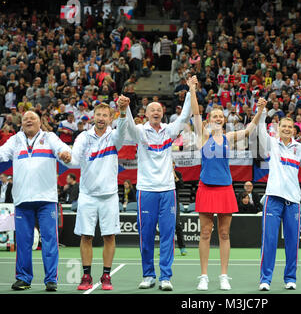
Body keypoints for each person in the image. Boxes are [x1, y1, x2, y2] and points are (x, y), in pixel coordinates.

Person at [120, 77, 195, 291]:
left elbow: (184, 115)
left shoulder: (169, 131)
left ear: (162, 114)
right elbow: (129, 126)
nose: (156, 113)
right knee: (146, 234)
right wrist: (125, 109)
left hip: (167, 190)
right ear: (146, 114)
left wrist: (190, 91)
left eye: (159, 110)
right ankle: (148, 275)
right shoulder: (141, 132)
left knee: (168, 234)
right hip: (146, 190)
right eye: (152, 110)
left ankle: (165, 277)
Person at [191, 81, 265, 291]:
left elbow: (250, 129)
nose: (217, 119)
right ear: (209, 120)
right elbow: (196, 114)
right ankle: (203, 276)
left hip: (225, 189)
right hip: (206, 188)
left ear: (223, 121)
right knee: (205, 233)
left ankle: (224, 275)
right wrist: (192, 90)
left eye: (220, 117)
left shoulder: (229, 138)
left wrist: (259, 111)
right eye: (214, 116)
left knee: (224, 234)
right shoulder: (202, 136)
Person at [0, 110, 71, 291]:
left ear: (40, 122)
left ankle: (51, 280)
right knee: (23, 242)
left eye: (32, 118)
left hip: (46, 199)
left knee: (49, 240)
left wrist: (64, 153)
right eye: (25, 119)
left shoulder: (49, 137)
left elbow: (63, 149)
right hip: (23, 200)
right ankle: (23, 278)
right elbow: (1, 154)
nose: (28, 121)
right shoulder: (15, 140)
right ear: (21, 123)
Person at [69, 100, 128, 291]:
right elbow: (74, 160)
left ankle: (106, 275)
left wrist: (124, 110)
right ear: (94, 116)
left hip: (109, 196)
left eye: (105, 115)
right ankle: (86, 275)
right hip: (87, 195)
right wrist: (66, 157)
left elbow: (123, 129)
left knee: (109, 236)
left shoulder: (115, 137)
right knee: (86, 236)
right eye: (98, 114)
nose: (101, 118)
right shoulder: (83, 137)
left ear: (111, 119)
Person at [257, 106, 301, 291]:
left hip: (293, 201)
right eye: (283, 126)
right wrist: (262, 112)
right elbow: (259, 129)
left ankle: (290, 278)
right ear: (278, 127)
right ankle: (265, 279)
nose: (286, 129)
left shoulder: (299, 148)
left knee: (292, 242)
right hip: (273, 198)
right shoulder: (272, 143)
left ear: (294, 130)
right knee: (269, 241)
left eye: (290, 127)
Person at [173, 161, 187, 256]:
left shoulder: (178, 174)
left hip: (175, 201)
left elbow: (181, 185)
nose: (171, 165)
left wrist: (174, 175)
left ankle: (182, 248)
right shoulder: (162, 173)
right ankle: (166, 249)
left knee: (177, 224)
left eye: (173, 164)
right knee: (165, 226)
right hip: (164, 201)